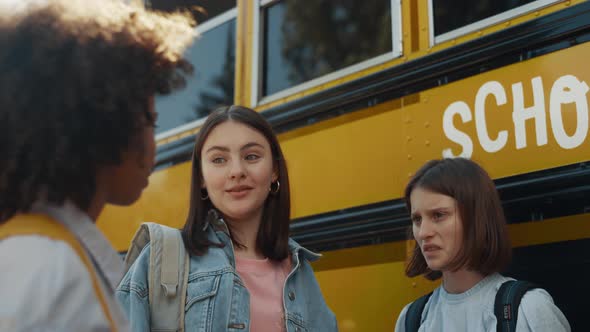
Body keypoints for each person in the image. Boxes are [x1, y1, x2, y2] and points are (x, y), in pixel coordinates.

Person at [0, 0, 195, 330]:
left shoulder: (26, 250)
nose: (154, 146)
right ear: (108, 122)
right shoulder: (56, 274)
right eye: (152, 122)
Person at [117, 105, 338, 332]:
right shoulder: (161, 260)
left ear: (274, 171)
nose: (236, 171)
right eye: (219, 159)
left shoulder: (298, 270)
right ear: (201, 177)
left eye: (251, 156)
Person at [394, 158, 571, 332]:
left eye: (439, 215)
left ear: (475, 218)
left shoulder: (528, 309)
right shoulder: (412, 319)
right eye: (417, 219)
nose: (424, 232)